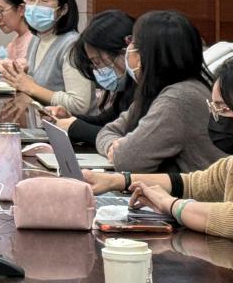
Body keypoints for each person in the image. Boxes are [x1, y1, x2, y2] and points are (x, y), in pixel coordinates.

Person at [84, 52, 233, 281]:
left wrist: (172, 205)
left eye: (224, 110)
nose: (216, 118)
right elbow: (191, 183)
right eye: (214, 108)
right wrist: (119, 181)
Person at [96, 10, 223, 173]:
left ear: (149, 54)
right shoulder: (160, 92)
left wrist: (119, 150)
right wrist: (113, 147)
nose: (128, 49)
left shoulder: (179, 98)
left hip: (193, 189)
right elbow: (107, 131)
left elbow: (129, 159)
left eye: (132, 42)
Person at [0, 0, 93, 114]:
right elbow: (34, 85)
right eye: (31, 0)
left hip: (70, 125)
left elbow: (79, 104)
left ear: (63, 9)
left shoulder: (72, 45)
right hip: (43, 121)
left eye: (44, 1)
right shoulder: (37, 39)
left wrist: (31, 87)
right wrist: (19, 80)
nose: (35, 6)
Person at [45, 9, 137, 145]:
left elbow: (128, 140)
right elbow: (107, 121)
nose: (97, 70)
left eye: (97, 62)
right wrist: (69, 118)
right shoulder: (127, 88)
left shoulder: (149, 89)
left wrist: (74, 127)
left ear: (124, 51)